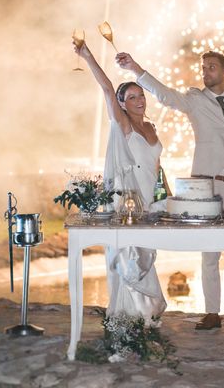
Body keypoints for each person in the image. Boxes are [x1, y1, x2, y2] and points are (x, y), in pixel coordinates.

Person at [116, 50, 224, 333]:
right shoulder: (195, 100)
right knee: (210, 252)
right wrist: (136, 69)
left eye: (212, 68)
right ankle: (212, 313)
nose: (205, 72)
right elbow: (165, 95)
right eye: (204, 68)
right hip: (206, 186)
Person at [74, 41, 167, 322]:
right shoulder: (123, 124)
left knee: (147, 257)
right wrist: (88, 56)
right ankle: (126, 319)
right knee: (129, 256)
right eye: (132, 97)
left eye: (142, 95)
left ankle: (144, 316)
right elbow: (105, 88)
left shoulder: (150, 127)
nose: (140, 100)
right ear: (122, 104)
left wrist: (167, 198)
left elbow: (157, 166)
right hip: (129, 202)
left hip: (152, 201)